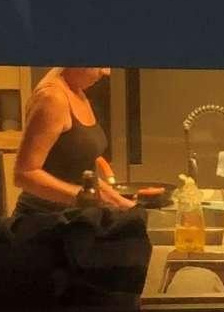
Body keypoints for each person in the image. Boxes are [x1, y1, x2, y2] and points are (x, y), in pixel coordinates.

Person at [13, 66, 134, 211]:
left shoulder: (77, 91)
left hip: (76, 213)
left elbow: (79, 173)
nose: (106, 72)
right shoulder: (52, 98)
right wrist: (87, 198)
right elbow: (24, 174)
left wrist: (124, 203)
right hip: (46, 217)